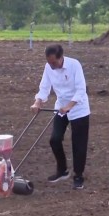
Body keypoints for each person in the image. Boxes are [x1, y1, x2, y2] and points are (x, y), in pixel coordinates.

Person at [30, 44, 90, 189]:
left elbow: (81, 89)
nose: (51, 65)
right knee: (54, 139)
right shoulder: (48, 67)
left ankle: (78, 176)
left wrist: (69, 106)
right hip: (60, 108)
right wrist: (38, 102)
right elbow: (44, 87)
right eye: (49, 62)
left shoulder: (74, 65)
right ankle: (62, 170)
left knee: (79, 145)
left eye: (54, 62)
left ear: (61, 57)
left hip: (78, 109)